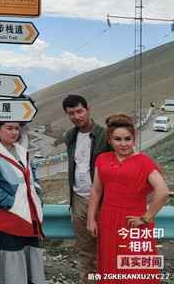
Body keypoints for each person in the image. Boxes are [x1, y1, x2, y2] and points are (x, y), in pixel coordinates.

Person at [86, 113, 169, 284]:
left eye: (128, 139)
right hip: (107, 220)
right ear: (109, 140)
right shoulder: (102, 159)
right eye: (117, 139)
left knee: (134, 271)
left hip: (134, 223)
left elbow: (163, 192)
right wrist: (90, 219)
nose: (123, 143)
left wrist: (145, 218)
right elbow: (96, 190)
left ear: (133, 139)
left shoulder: (144, 161)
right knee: (111, 265)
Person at [0, 121, 45, 284]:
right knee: (10, 271)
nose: (14, 132)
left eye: (17, 128)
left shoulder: (21, 151)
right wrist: (12, 203)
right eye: (9, 128)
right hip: (6, 222)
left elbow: (33, 177)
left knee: (26, 267)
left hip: (27, 220)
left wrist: (37, 196)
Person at [63, 94, 110, 283]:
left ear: (88, 110)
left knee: (109, 252)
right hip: (79, 201)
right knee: (86, 254)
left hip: (105, 202)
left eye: (79, 111)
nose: (76, 116)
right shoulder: (70, 136)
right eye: (71, 113)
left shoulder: (104, 135)